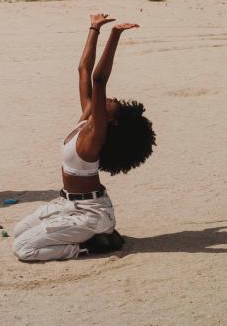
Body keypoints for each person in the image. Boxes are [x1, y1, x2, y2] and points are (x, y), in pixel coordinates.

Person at [13, 13, 156, 262]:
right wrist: (94, 28)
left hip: (91, 213)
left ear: (112, 121)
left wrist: (114, 35)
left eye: (115, 104)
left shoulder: (95, 135)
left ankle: (90, 246)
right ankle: (92, 234)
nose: (112, 99)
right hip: (68, 205)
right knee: (18, 232)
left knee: (24, 249)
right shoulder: (85, 121)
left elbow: (98, 79)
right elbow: (84, 71)